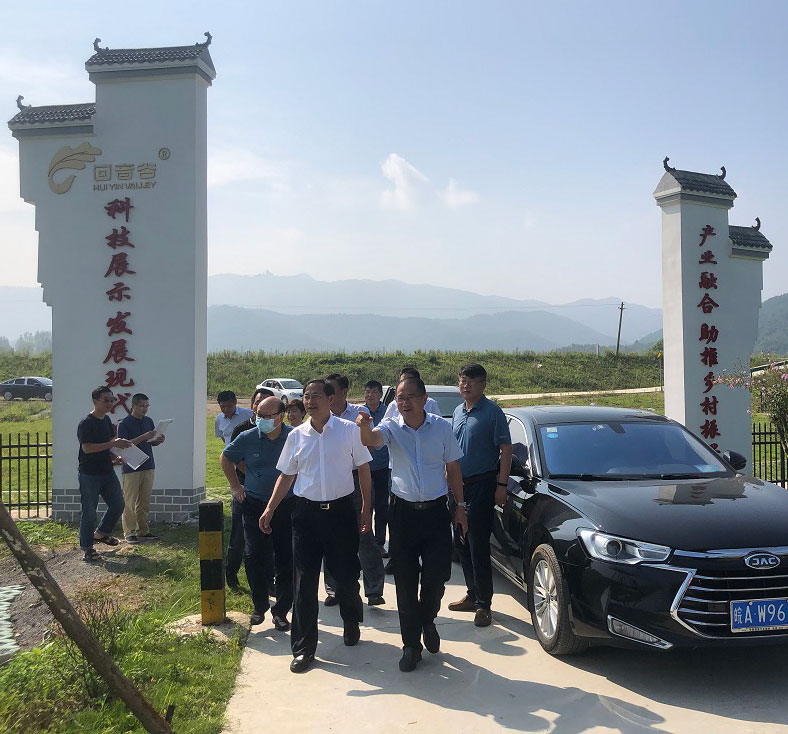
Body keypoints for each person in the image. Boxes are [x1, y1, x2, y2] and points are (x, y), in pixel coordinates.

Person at [260, 379, 372, 674]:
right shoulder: (296, 435)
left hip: (340, 514)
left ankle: (351, 619)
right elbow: (286, 475)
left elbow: (363, 468)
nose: (309, 401)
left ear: (330, 399)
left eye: (315, 396)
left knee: (346, 576)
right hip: (306, 515)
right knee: (304, 582)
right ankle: (304, 648)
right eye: (306, 397)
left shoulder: (348, 431)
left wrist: (366, 509)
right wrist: (270, 508)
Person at [356, 377, 468, 672]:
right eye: (400, 398)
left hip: (435, 514)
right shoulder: (392, 426)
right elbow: (371, 440)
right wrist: (364, 426)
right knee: (405, 583)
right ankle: (411, 646)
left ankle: (428, 620)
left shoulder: (441, 427)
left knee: (436, 577)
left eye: (410, 397)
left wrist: (460, 507)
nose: (404, 403)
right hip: (403, 514)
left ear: (424, 398)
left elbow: (453, 467)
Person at [448, 364, 512, 627]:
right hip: (457, 487)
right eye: (463, 380)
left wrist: (501, 484)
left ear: (483, 384)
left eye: (472, 381)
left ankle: (484, 604)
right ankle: (472, 594)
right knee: (461, 543)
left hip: (482, 486)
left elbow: (506, 450)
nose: (466, 385)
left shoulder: (493, 412)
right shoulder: (457, 411)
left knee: (477, 544)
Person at [221, 396, 293, 631]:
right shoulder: (248, 437)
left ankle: (281, 611)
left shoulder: (294, 437)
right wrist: (236, 487)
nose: (260, 420)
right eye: (258, 415)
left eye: (266, 416)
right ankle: (259, 605)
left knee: (285, 558)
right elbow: (226, 458)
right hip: (253, 503)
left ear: (281, 416)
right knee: (253, 557)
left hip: (285, 505)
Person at [322, 374, 385, 607]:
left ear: (344, 392)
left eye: (332, 390)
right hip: (330, 481)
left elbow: (371, 446)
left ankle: (374, 589)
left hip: (357, 479)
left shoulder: (359, 414)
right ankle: (334, 589)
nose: (328, 395)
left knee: (364, 534)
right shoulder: (320, 416)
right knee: (331, 537)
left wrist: (362, 428)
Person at [77, 386, 132, 562]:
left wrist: (115, 457)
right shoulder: (86, 423)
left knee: (118, 504)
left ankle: (101, 533)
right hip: (89, 474)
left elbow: (108, 444)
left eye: (112, 400)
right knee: (89, 512)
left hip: (107, 471)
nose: (110, 403)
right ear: (95, 401)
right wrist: (113, 444)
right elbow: (87, 448)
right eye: (106, 400)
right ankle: (87, 548)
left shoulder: (106, 420)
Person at [214, 390, 255, 589]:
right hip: (238, 474)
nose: (226, 409)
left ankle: (263, 577)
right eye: (222, 406)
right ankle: (231, 573)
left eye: (229, 405)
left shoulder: (247, 416)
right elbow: (226, 446)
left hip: (259, 477)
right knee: (238, 531)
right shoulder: (236, 426)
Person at [117, 393, 165, 543]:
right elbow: (124, 444)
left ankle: (143, 530)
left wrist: (158, 440)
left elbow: (151, 442)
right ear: (133, 406)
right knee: (130, 501)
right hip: (131, 466)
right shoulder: (124, 423)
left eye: (147, 406)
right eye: (141, 406)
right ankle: (129, 532)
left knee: (144, 500)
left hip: (148, 464)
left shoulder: (148, 421)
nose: (144, 409)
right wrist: (144, 436)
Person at [362, 380, 391, 555]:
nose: (370, 395)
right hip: (362, 468)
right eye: (367, 391)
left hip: (382, 467)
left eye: (374, 392)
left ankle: (379, 543)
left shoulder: (388, 412)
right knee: (365, 506)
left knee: (381, 507)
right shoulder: (359, 413)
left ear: (380, 395)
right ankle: (366, 544)